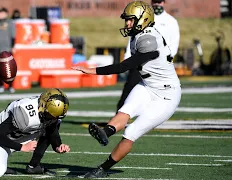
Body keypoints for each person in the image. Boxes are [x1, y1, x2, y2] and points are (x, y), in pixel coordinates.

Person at [72, 1, 181, 178]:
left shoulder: (148, 40)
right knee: (125, 110)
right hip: (148, 85)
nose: (127, 24)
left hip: (166, 95)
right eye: (126, 20)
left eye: (131, 20)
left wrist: (92, 70)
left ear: (143, 19)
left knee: (131, 132)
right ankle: (105, 133)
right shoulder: (139, 34)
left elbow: (124, 67)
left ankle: (103, 168)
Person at [0, 88, 70, 177]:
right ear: (42, 105)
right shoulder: (25, 113)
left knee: (48, 126)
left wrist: (58, 146)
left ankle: (34, 166)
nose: (52, 119)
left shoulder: (50, 111)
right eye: (50, 115)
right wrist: (22, 147)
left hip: (23, 135)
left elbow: (52, 131)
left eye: (55, 117)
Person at [116, 0, 180, 111]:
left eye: (159, 2)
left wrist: (164, 59)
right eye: (154, 1)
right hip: (139, 60)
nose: (156, 4)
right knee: (129, 89)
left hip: (158, 65)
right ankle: (118, 117)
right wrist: (128, 57)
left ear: (164, 2)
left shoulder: (171, 21)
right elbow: (133, 38)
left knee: (157, 93)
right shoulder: (143, 18)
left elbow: (174, 43)